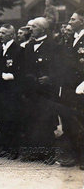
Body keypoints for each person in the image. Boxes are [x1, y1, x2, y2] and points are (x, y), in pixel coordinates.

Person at [20, 17, 60, 162]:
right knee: (31, 119)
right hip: (31, 90)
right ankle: (34, 152)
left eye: (34, 27)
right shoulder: (29, 46)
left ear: (43, 29)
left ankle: (48, 153)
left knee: (46, 121)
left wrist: (50, 78)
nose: (31, 30)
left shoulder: (53, 46)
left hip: (46, 90)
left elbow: (59, 67)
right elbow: (24, 67)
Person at [57, 9, 84, 170]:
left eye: (73, 19)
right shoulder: (72, 39)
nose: (70, 22)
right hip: (69, 88)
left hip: (81, 87)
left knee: (81, 122)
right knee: (70, 122)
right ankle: (74, 155)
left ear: (82, 21)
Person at [0, 24, 23, 160]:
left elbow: (23, 70)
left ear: (11, 35)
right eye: (0, 33)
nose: (0, 35)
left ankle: (14, 149)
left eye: (4, 33)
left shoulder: (19, 50)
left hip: (12, 91)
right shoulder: (0, 50)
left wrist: (13, 76)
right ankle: (5, 147)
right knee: (2, 119)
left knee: (12, 120)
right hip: (1, 90)